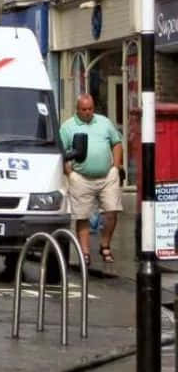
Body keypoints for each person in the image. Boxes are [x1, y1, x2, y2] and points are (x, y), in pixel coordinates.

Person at [60, 93, 124, 267]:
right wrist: (69, 173)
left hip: (107, 176)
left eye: (90, 109)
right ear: (77, 109)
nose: (88, 112)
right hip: (81, 177)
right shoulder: (67, 127)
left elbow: (116, 142)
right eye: (84, 109)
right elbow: (62, 152)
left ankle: (105, 245)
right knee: (83, 216)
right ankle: (85, 253)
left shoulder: (104, 122)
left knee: (112, 211)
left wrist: (116, 167)